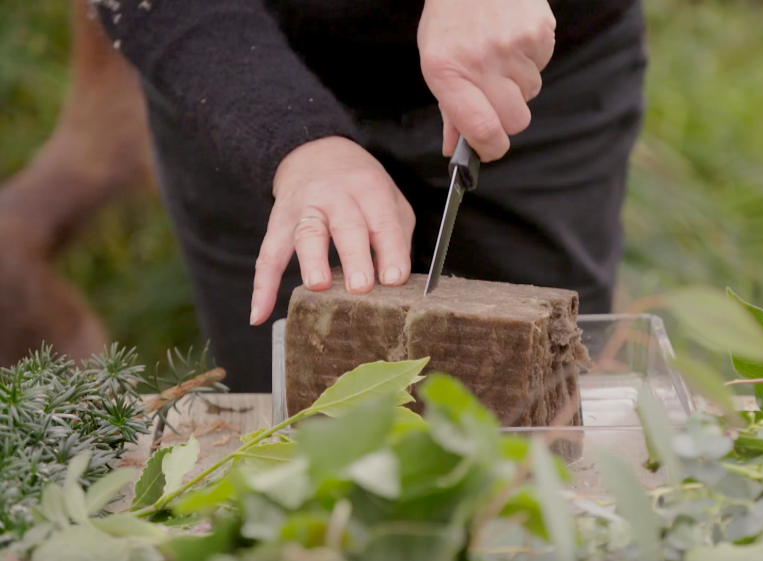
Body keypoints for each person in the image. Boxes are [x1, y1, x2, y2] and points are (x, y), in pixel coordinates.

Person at [94, 0, 647, 392]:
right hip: (240, 68)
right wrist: (294, 145)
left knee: (539, 424)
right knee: (285, 441)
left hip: (526, 68)